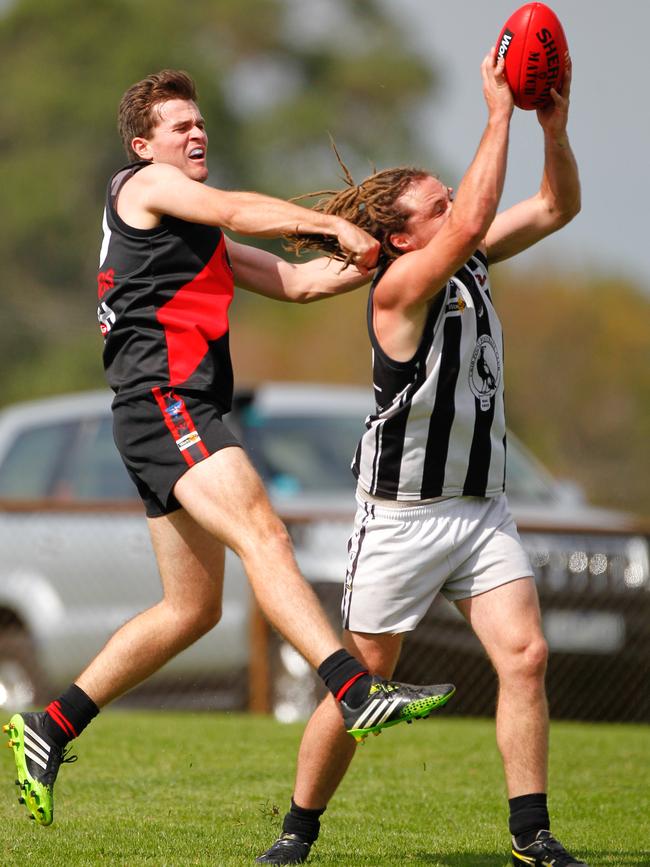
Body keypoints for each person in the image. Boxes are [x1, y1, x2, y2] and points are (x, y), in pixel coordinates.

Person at [3, 69, 456, 830]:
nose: (197, 133)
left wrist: (379, 257)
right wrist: (331, 225)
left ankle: (49, 726)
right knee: (265, 532)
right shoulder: (143, 188)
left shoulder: (192, 230)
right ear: (145, 147)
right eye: (179, 126)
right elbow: (242, 209)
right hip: (165, 402)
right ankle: (352, 687)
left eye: (200, 122)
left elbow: (296, 282)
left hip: (172, 409)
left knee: (193, 608)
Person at [257, 48, 587, 867]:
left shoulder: (468, 259)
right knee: (363, 675)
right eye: (438, 205)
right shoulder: (398, 291)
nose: (459, 207)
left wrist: (554, 124)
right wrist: (497, 110)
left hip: (481, 510)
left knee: (527, 654)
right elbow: (474, 220)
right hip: (404, 515)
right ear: (402, 237)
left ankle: (531, 835)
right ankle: (296, 832)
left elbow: (556, 205)